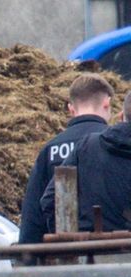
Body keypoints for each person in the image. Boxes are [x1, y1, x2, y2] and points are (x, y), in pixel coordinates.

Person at [18, 74, 112, 245]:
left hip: (66, 252)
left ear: (71, 109)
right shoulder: (115, 145)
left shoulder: (50, 150)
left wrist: (28, 260)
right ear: (107, 103)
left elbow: (33, 217)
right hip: (116, 247)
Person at [40, 89, 131, 235]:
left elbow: (50, 201)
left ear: (121, 117)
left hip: (89, 252)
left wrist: (71, 242)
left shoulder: (86, 147)